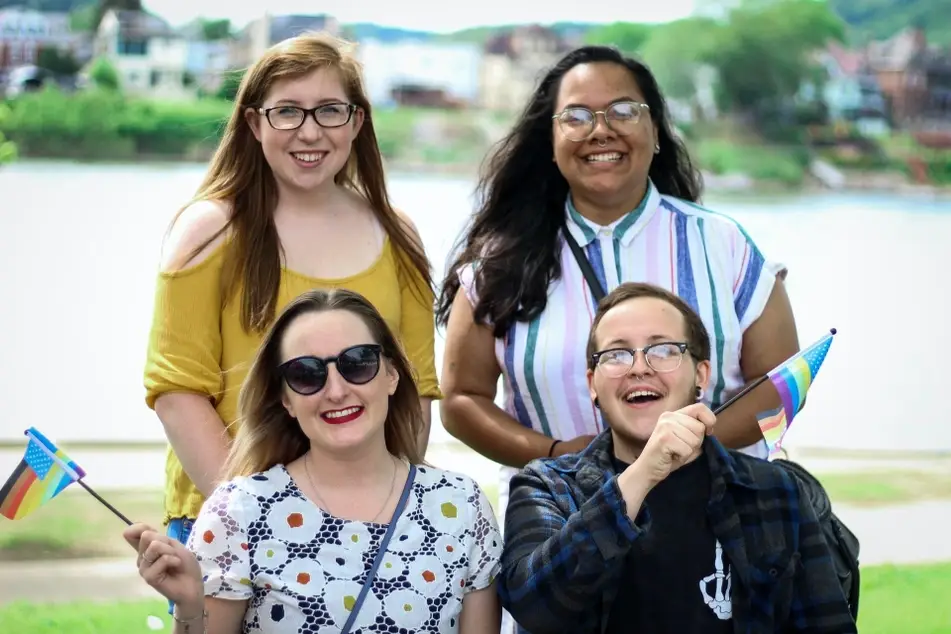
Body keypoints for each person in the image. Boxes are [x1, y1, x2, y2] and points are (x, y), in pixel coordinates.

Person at [435, 44, 799, 564]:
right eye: (577, 116)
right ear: (552, 140)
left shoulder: (724, 245)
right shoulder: (499, 263)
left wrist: (684, 449)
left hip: (717, 527)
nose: (601, 130)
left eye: (624, 111)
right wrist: (562, 457)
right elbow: (462, 400)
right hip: (563, 532)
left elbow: (781, 387)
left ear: (655, 133)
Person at [143, 32, 441, 563]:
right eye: (287, 112)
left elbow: (413, 391)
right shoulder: (209, 232)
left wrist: (383, 507)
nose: (309, 131)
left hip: (370, 522)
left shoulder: (398, 236)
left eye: (329, 110)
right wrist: (265, 518)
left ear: (356, 121)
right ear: (255, 123)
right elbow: (177, 391)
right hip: (229, 519)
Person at [127, 288, 502, 634]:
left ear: (392, 375)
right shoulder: (237, 512)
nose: (336, 390)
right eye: (306, 373)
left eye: (358, 363)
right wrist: (189, 605)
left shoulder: (461, 506)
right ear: (286, 399)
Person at [498, 282, 856, 634]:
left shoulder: (773, 490)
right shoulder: (547, 486)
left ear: (701, 375)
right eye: (617, 354)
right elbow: (534, 608)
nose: (639, 368)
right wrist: (641, 476)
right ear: (593, 384)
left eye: (664, 350)